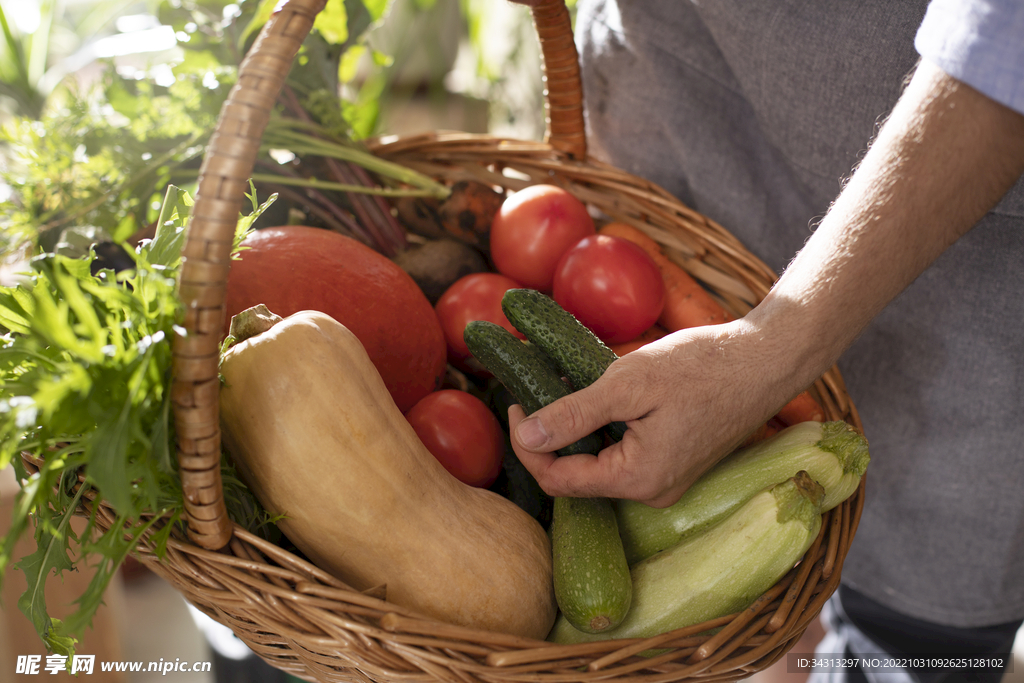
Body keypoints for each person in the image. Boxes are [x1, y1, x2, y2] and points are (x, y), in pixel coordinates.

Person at [505, 0, 1024, 680]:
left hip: (953, 221)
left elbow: (1002, 54)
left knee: (914, 643)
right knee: (760, 621)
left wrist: (766, 353)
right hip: (685, 125)